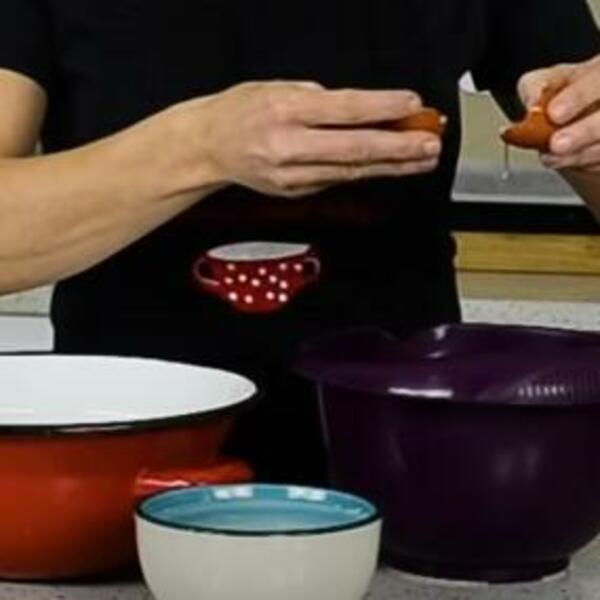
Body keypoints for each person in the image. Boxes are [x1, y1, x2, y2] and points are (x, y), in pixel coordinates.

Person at [0, 0, 599, 485]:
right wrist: (203, 146)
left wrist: (587, 133)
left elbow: (578, 116)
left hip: (406, 477)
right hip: (114, 477)